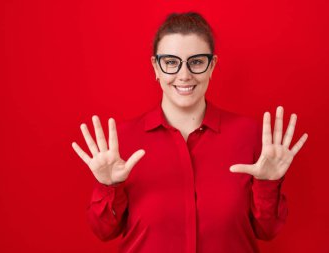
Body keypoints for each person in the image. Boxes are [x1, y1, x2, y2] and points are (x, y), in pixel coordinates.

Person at [71, 12, 308, 253]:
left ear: (212, 65)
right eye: (171, 62)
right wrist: (109, 185)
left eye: (196, 61)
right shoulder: (121, 142)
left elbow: (266, 231)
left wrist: (268, 183)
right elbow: (104, 232)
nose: (184, 75)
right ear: (156, 66)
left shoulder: (249, 135)